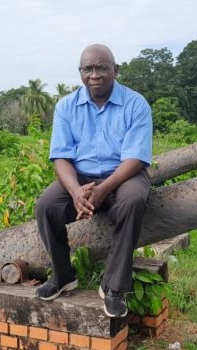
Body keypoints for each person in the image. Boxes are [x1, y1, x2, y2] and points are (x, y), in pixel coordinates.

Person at [34, 44, 152, 318]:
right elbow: (61, 157)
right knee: (47, 205)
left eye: (102, 67)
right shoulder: (66, 106)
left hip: (124, 174)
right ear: (80, 73)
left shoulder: (135, 104)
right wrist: (76, 192)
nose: (95, 74)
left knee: (133, 200)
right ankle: (63, 276)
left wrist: (103, 190)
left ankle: (114, 286)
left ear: (116, 70)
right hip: (81, 177)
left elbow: (136, 158)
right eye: (88, 68)